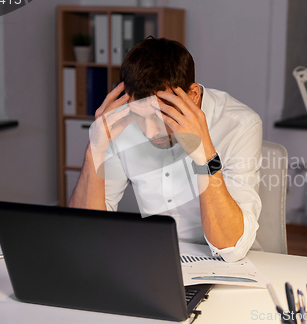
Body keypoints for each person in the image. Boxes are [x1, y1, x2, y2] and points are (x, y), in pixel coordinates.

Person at [69, 38, 262, 262]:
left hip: (232, 265)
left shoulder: (240, 124)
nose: (151, 133)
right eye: (140, 117)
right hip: (157, 260)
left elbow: (231, 248)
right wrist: (95, 148)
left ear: (192, 96)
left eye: (161, 117)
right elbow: (86, 232)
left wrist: (204, 154)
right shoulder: (119, 121)